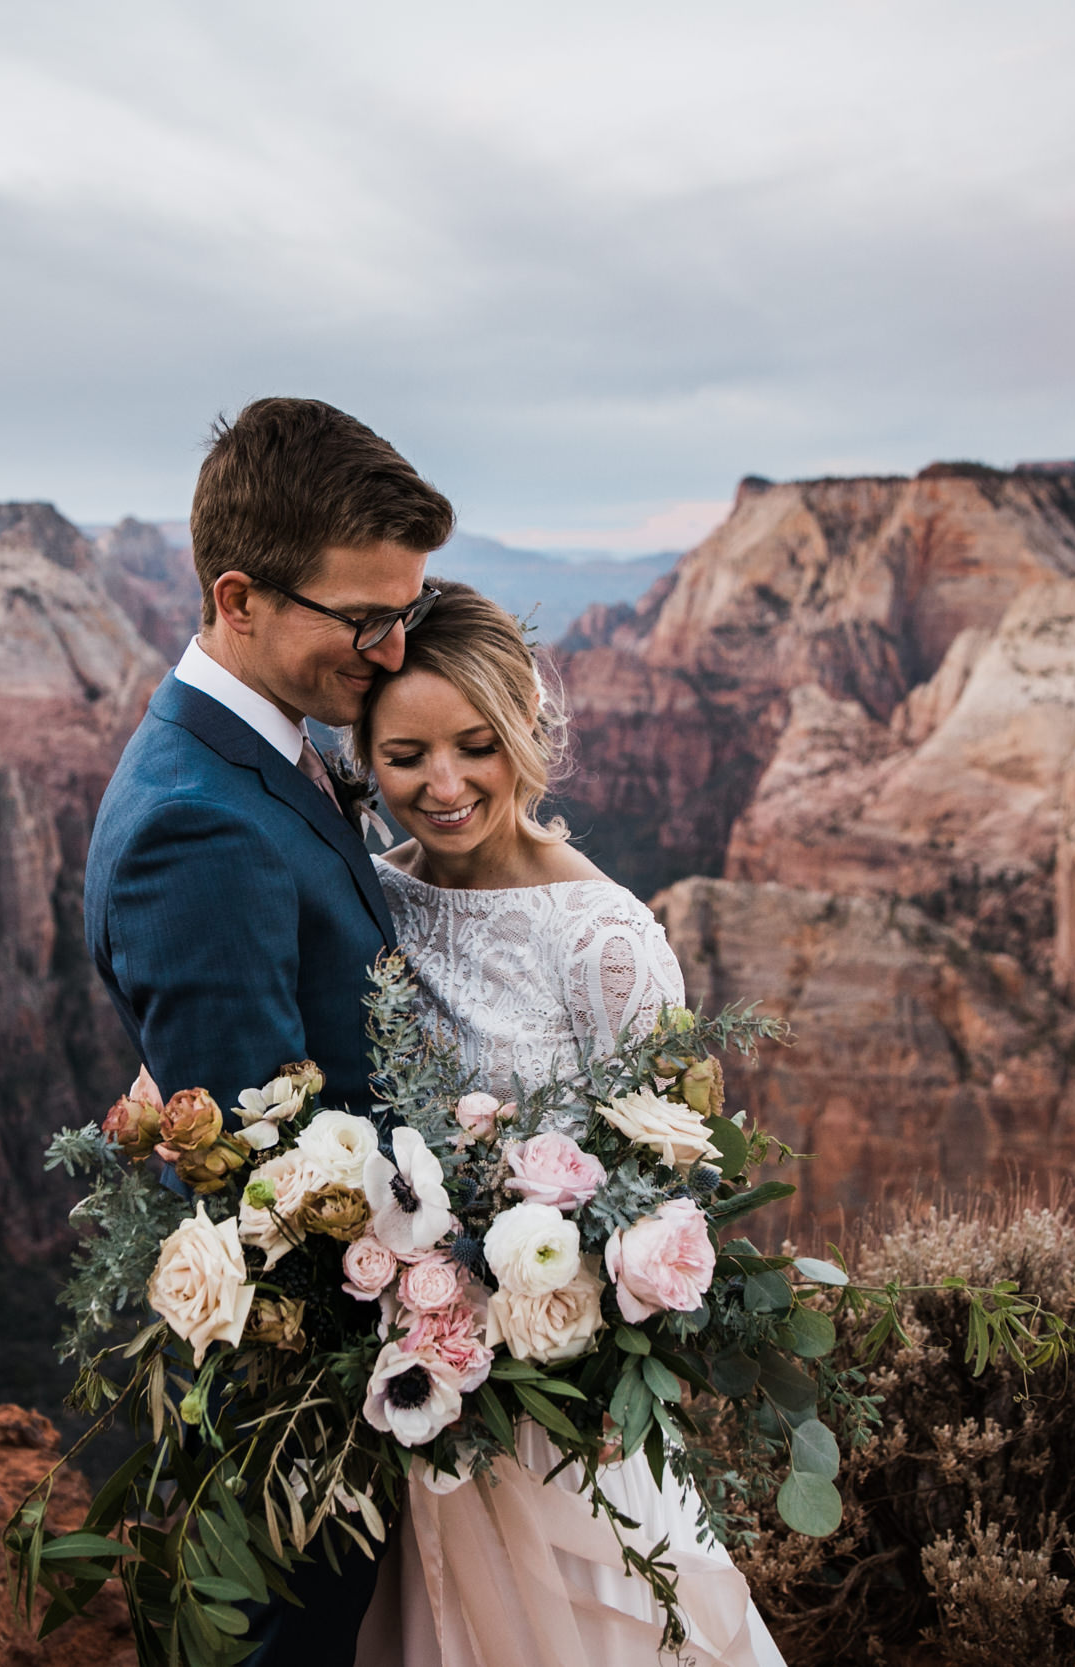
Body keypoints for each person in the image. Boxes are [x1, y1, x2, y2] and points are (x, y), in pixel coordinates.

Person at [346, 582, 787, 1667]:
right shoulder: (366, 896)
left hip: (560, 1416)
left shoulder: (606, 938)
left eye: (476, 745)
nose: (442, 786)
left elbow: (670, 1182)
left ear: (527, 736)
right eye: (405, 755)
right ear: (364, 755)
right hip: (403, 1399)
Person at [83, 395, 455, 1666]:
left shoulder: (262, 747)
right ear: (238, 598)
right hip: (304, 1419)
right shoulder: (196, 822)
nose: (394, 646)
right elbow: (266, 1176)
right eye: (364, 619)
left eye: (407, 605)